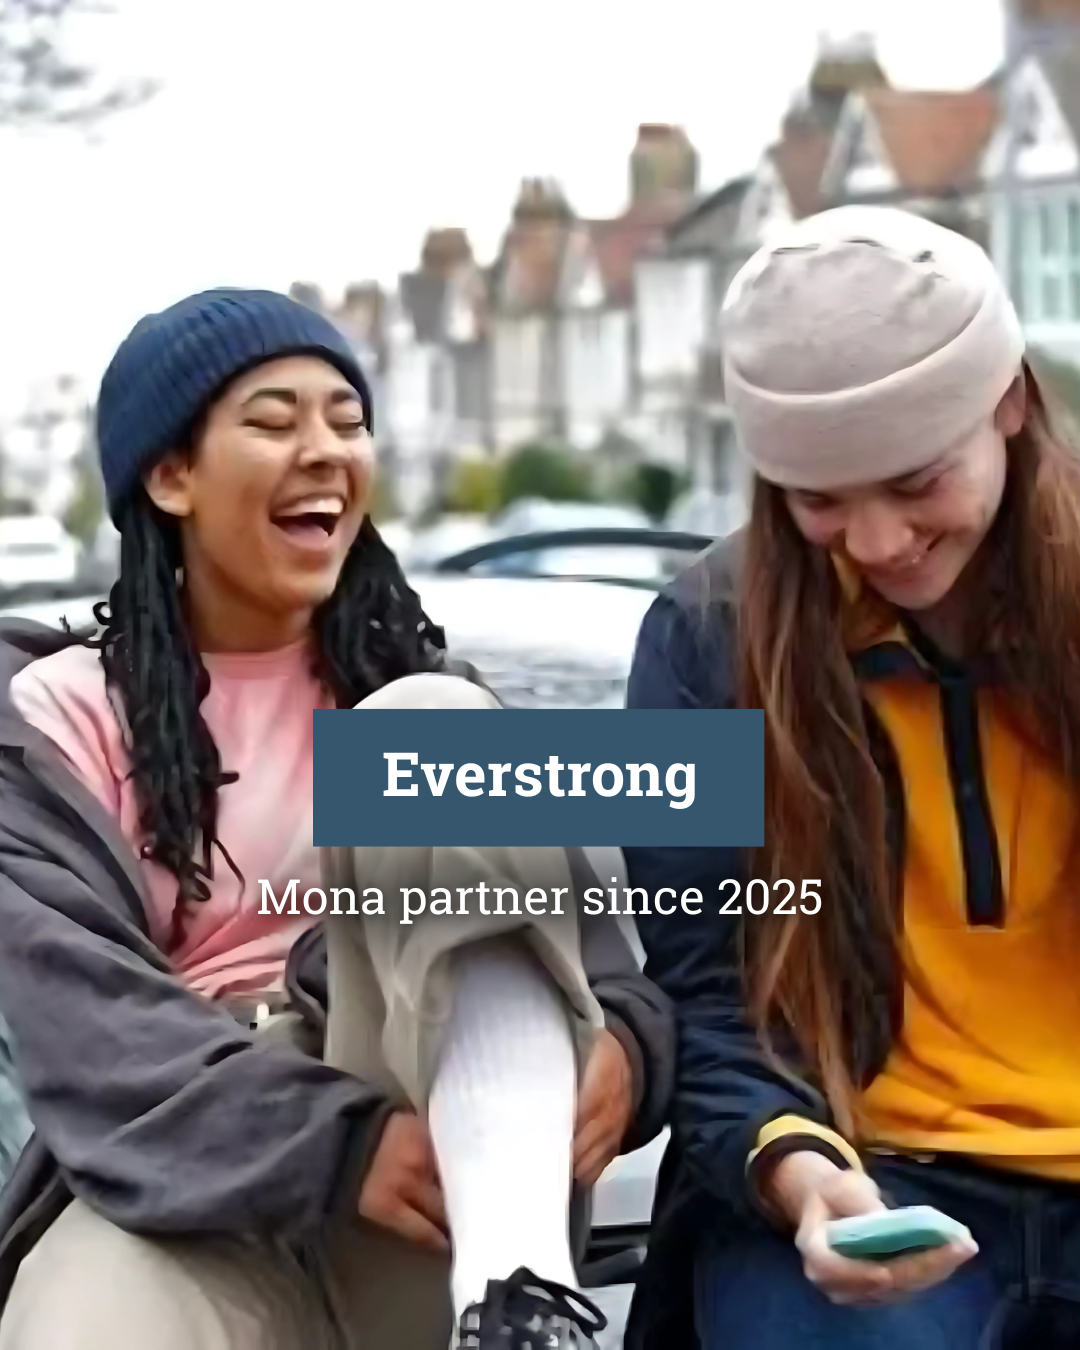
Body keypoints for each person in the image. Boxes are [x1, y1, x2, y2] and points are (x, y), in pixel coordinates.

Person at [0, 287, 674, 1349]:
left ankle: (522, 1300)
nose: (325, 450)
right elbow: (85, 1026)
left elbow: (605, 964)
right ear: (169, 476)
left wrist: (632, 1048)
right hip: (181, 1177)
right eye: (273, 422)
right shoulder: (51, 719)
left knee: (429, 722)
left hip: (432, 1170)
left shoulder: (435, 697)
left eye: (348, 422)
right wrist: (336, 1149)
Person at [620, 205, 1080, 1350]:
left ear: (1011, 404)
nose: (876, 542)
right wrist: (800, 1173)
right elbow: (709, 988)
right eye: (819, 501)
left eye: (917, 480)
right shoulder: (699, 640)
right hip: (859, 1183)